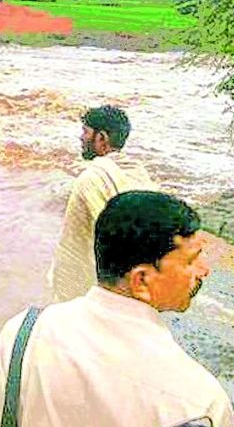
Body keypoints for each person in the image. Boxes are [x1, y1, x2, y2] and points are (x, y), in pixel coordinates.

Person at [0, 191, 234, 427]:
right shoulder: (199, 401)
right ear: (141, 280)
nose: (204, 270)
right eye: (191, 260)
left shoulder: (25, 333)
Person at [47, 105, 157, 302]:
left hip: (87, 287)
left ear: (101, 138)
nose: (81, 138)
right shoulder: (139, 173)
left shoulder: (92, 178)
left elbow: (114, 235)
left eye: (85, 131)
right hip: (130, 288)